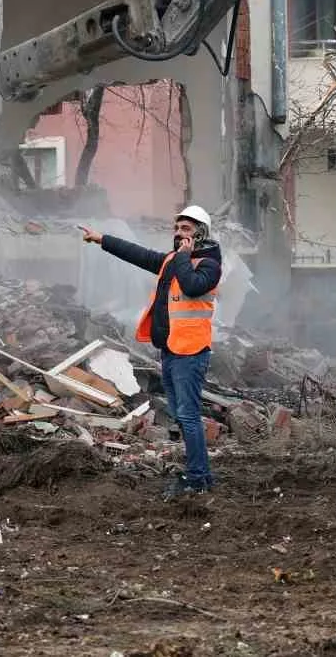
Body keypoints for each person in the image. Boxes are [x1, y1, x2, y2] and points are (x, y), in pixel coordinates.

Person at [81, 205, 222, 496]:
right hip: (171, 350)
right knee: (181, 414)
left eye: (186, 229)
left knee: (188, 415)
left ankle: (196, 479)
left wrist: (184, 256)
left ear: (201, 233)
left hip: (191, 353)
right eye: (177, 228)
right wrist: (102, 239)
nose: (179, 233)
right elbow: (140, 255)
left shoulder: (209, 264)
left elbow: (193, 287)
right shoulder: (174, 260)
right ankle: (201, 475)